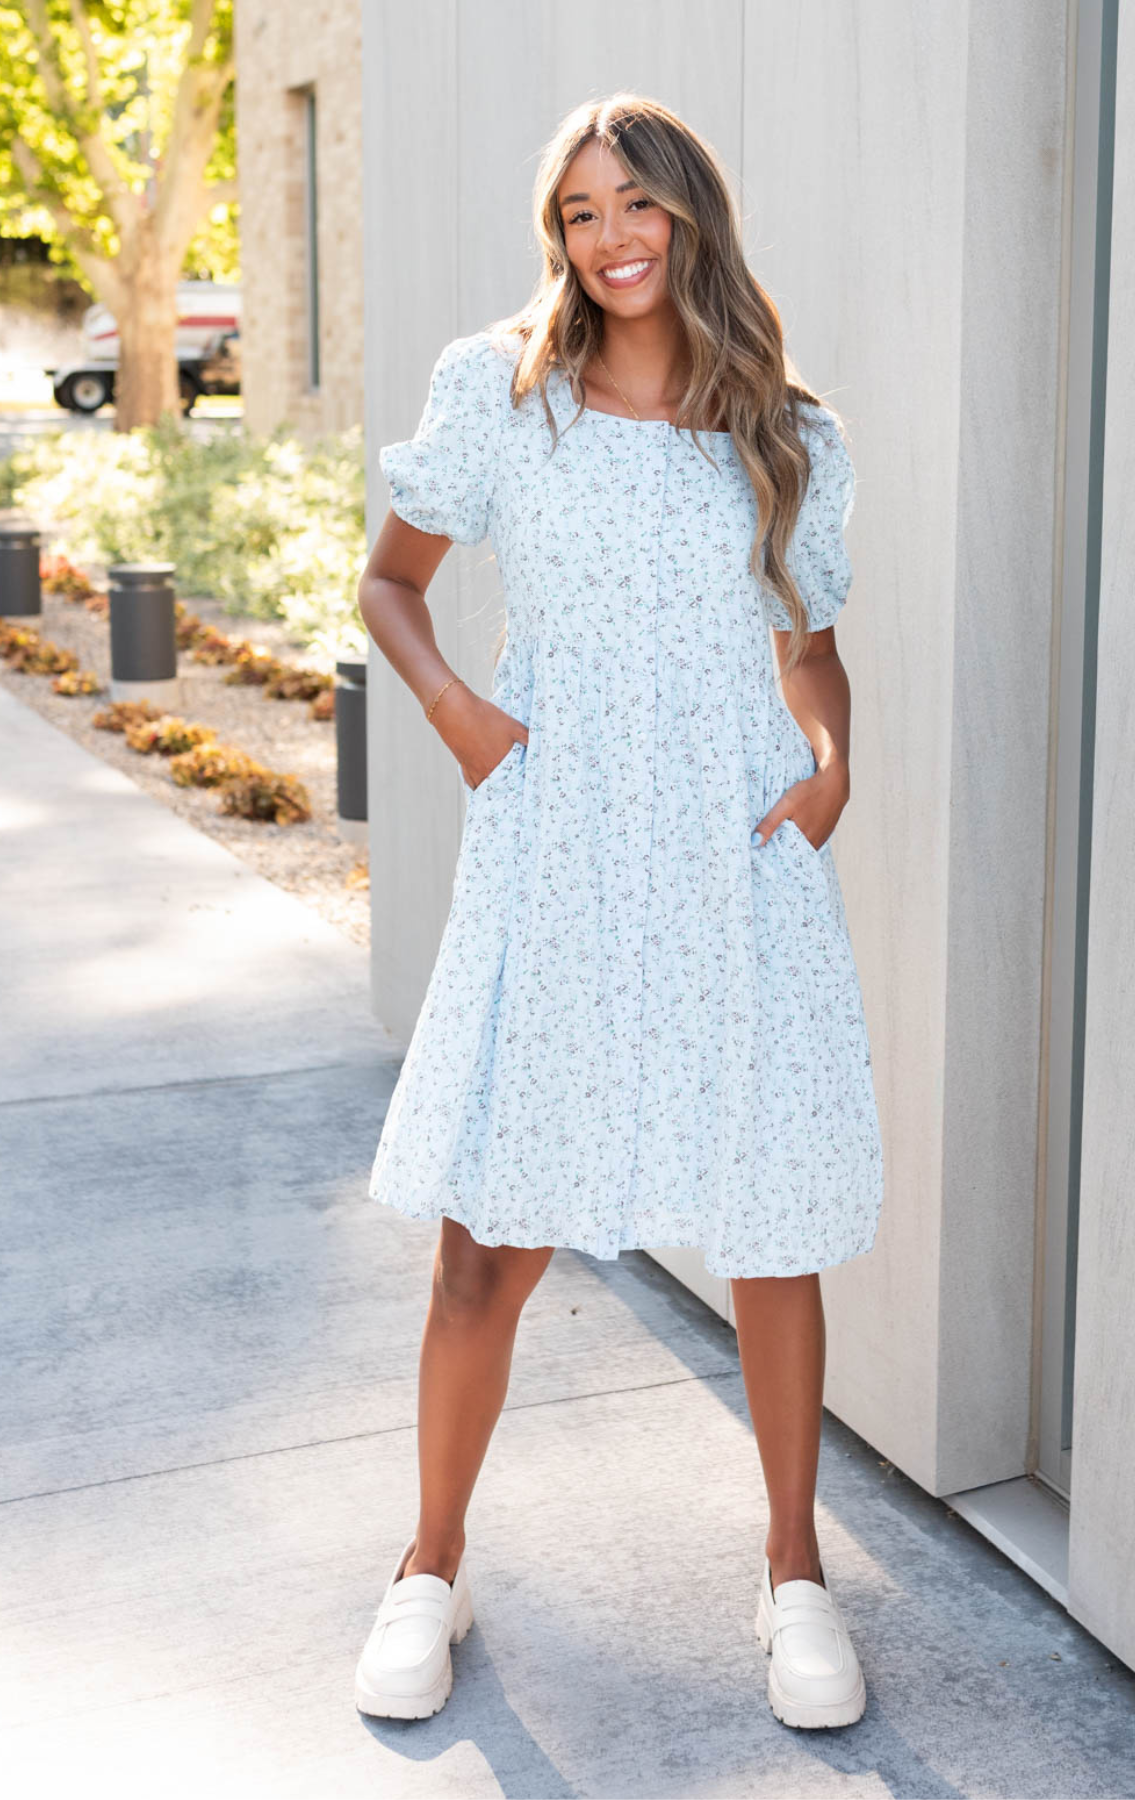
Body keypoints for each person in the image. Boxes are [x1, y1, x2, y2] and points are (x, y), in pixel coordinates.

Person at [353, 92, 884, 1731]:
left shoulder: (783, 425)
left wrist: (829, 764)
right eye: (579, 212)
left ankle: (793, 1576)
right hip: (563, 841)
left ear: (690, 215)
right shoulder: (497, 395)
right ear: (558, 238)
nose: (611, 237)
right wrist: (460, 719)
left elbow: (805, 641)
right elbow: (391, 580)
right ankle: (426, 1567)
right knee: (484, 1243)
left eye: (635, 203)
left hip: (732, 849)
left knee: (773, 1228)